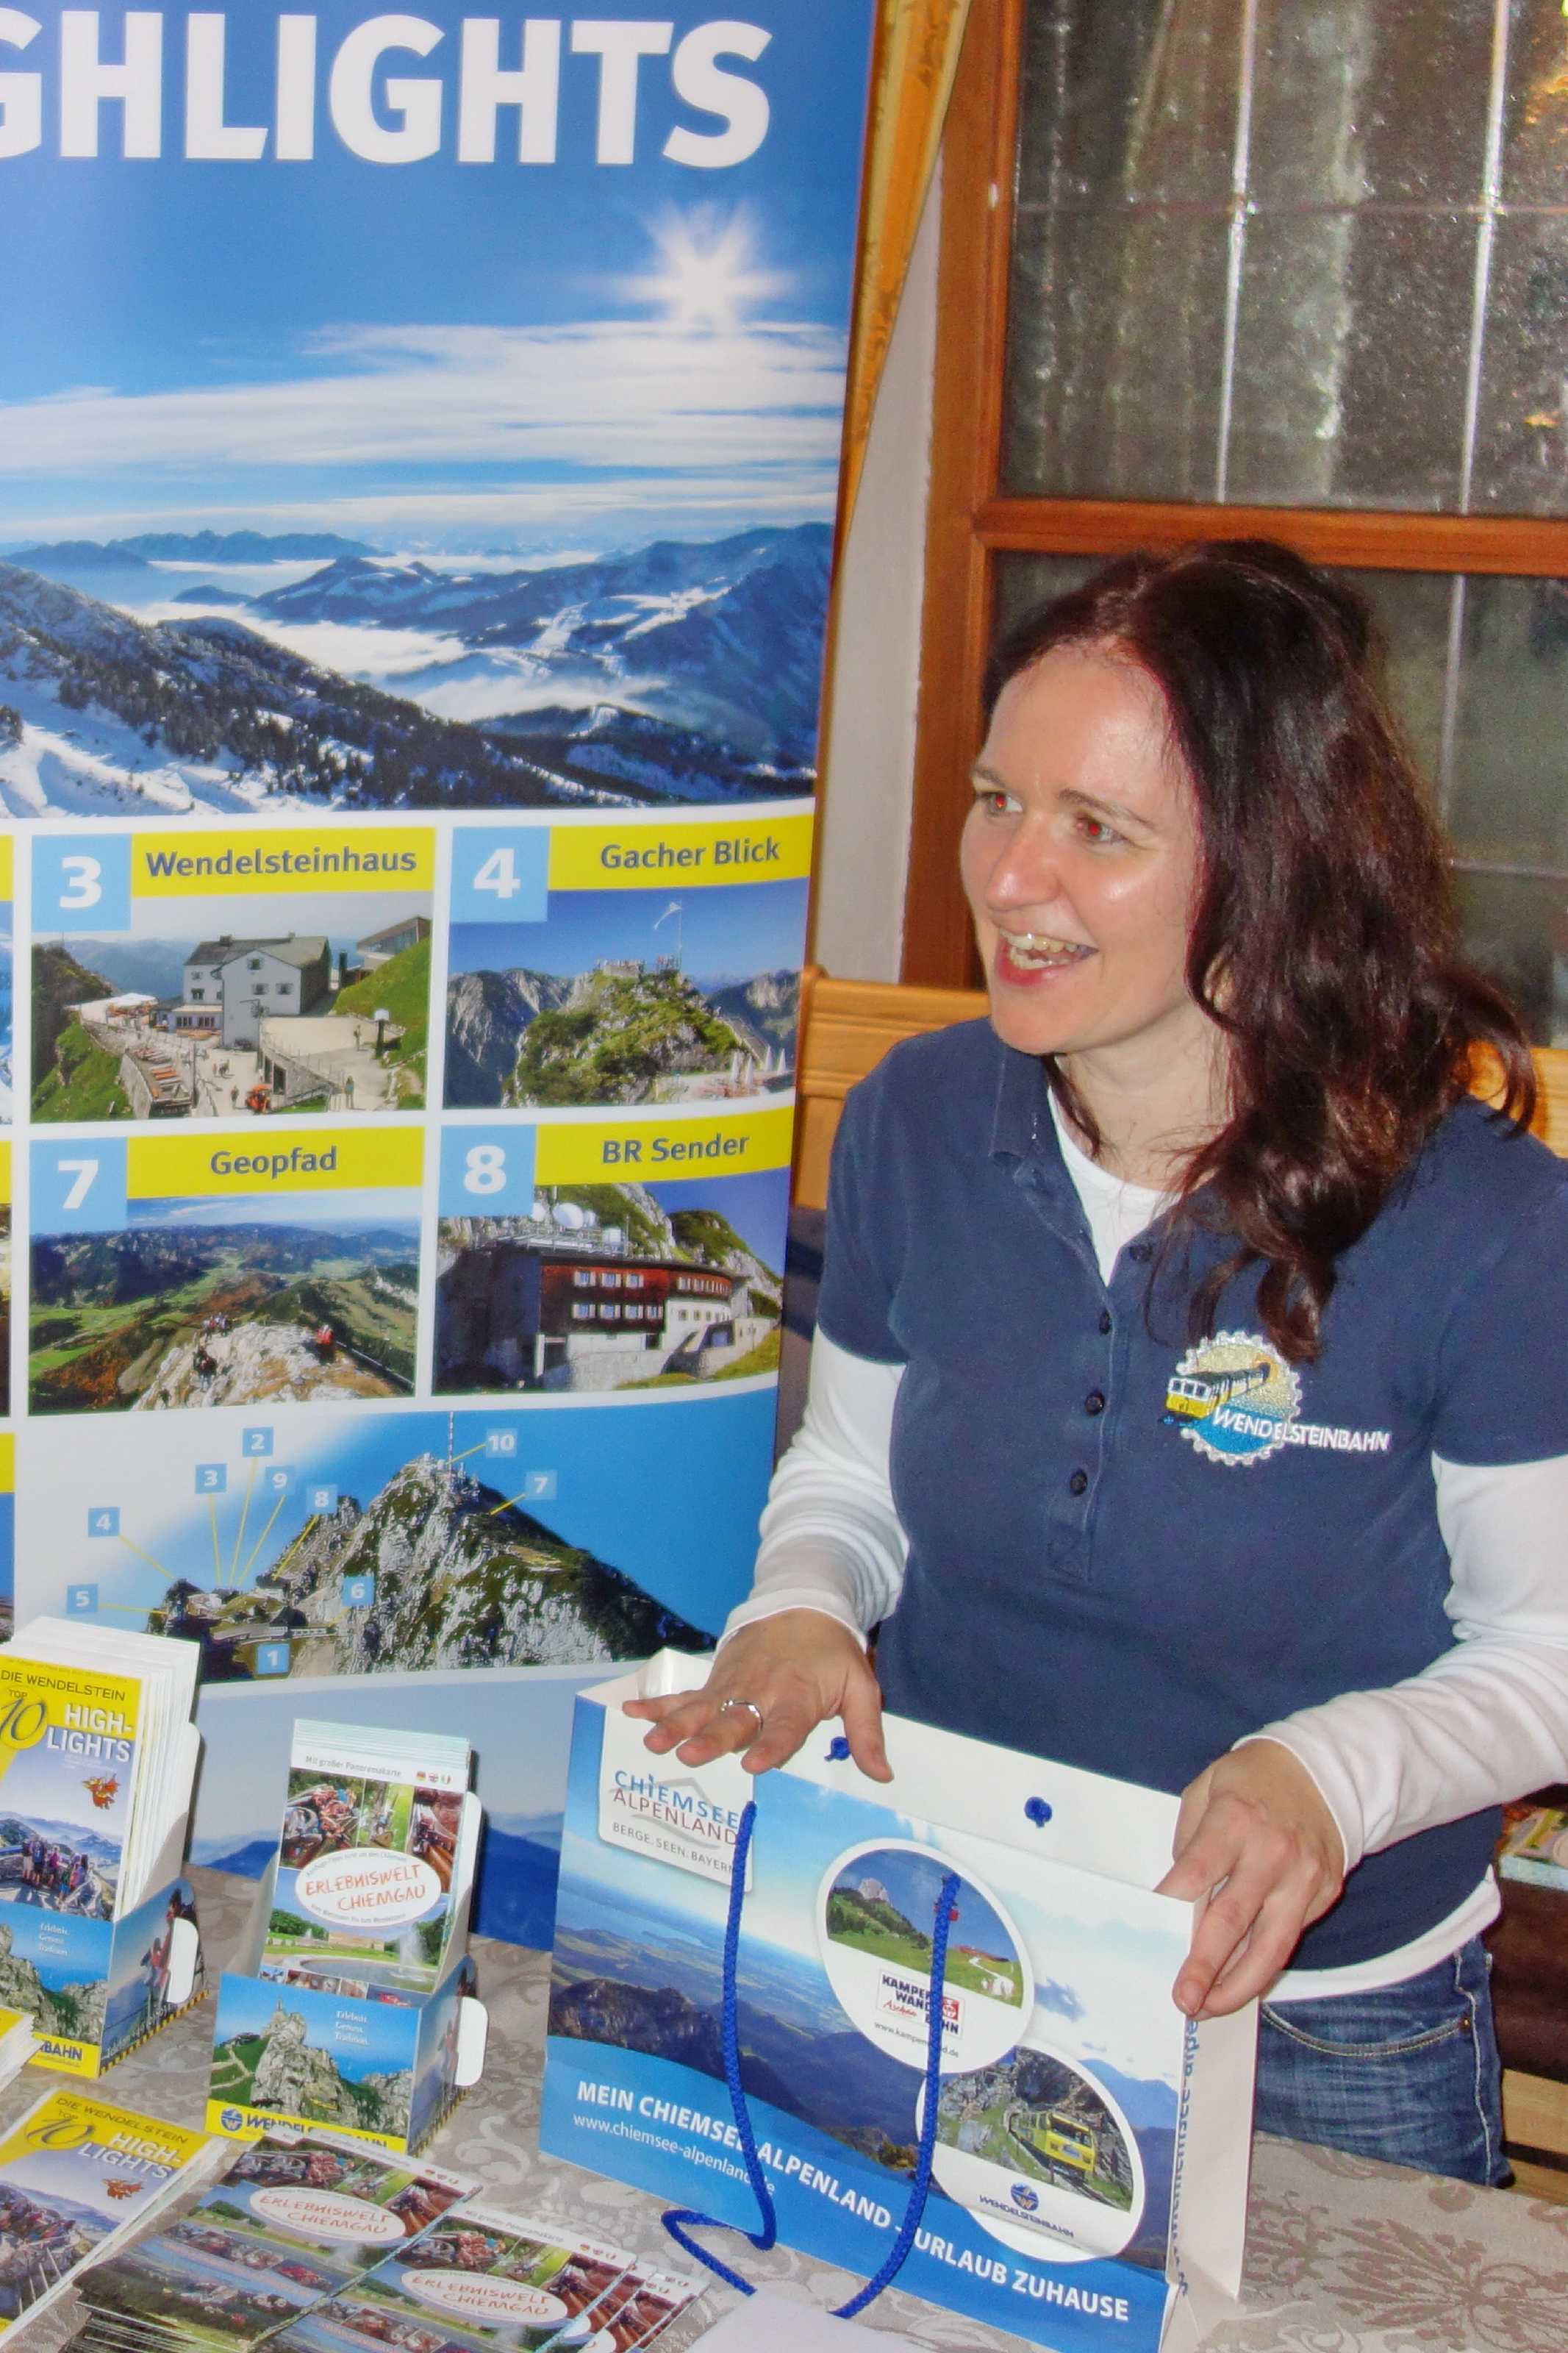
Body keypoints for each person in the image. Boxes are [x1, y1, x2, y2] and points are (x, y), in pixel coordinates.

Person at [627, 541, 1568, 2185]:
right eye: (995, 800)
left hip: (1312, 2019)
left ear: (1269, 866)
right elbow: (851, 1471)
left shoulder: (1484, 1221)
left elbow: (1548, 1651)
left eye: (1096, 829)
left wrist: (1324, 1776)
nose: (1008, 877)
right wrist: (805, 1602)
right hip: (938, 1939)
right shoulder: (918, 1118)